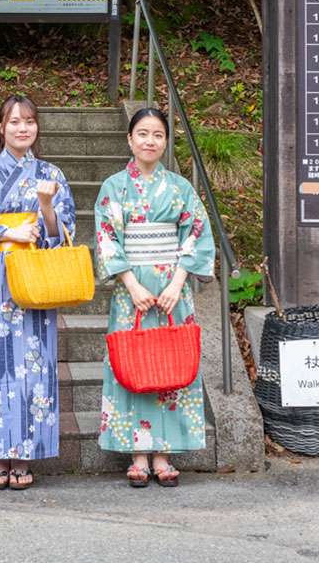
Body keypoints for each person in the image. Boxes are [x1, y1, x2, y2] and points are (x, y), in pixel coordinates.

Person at [0, 94, 76, 491]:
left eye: (30, 122)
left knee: (33, 366)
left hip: (35, 279)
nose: (23, 128)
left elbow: (62, 235)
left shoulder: (50, 174)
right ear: (0, 128)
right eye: (14, 122)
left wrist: (45, 205)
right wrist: (10, 231)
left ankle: (24, 455)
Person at [94, 106, 215, 487]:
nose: (150, 141)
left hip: (171, 289)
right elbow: (107, 240)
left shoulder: (180, 188)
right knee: (132, 364)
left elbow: (196, 233)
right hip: (132, 289)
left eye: (158, 134)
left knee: (169, 366)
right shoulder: (114, 187)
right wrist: (131, 284)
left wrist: (179, 282)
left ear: (166, 141)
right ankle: (137, 453)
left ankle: (163, 453)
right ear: (129, 139)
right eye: (142, 133)